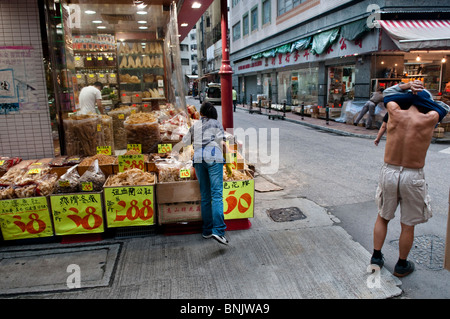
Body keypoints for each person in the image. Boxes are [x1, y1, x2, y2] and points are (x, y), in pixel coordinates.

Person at [371, 80, 449, 277]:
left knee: (383, 216)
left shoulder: (394, 110)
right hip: (413, 174)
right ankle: (401, 265)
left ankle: (376, 258)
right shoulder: (431, 117)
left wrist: (407, 87)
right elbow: (445, 107)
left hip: (390, 170)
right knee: (408, 224)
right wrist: (424, 97)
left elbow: (387, 93)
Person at [182, 102, 233, 245]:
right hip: (213, 157)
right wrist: (228, 163)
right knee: (216, 195)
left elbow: (185, 142)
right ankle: (218, 231)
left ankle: (207, 230)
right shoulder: (216, 124)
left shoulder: (196, 125)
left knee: (205, 197)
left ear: (202, 113)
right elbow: (222, 144)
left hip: (198, 159)